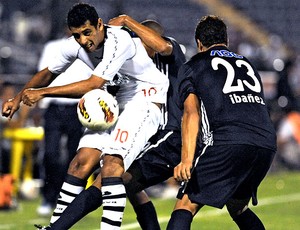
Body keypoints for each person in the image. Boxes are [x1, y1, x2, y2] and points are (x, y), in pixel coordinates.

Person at [2, 3, 168, 230]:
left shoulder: (119, 40)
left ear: (100, 25)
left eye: (87, 33)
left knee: (112, 166)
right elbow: (48, 72)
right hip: (115, 101)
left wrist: (42, 94)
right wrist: (19, 97)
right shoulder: (75, 45)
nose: (83, 40)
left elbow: (93, 84)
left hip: (145, 99)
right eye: (77, 35)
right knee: (80, 163)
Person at [36, 15, 186, 230]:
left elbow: (162, 45)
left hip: (165, 133)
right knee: (128, 186)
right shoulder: (132, 61)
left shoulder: (171, 51)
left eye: (140, 39)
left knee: (110, 177)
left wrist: (126, 21)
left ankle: (56, 228)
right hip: (145, 127)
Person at [166, 15, 277, 230]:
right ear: (225, 40)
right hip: (265, 144)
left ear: (199, 43)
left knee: (186, 204)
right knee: (237, 206)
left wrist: (186, 160)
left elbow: (191, 113)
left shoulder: (193, 66)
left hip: (229, 141)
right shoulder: (248, 64)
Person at [36, 31, 93, 216]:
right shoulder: (52, 47)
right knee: (50, 153)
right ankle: (48, 197)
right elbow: (43, 74)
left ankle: (68, 199)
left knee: (74, 156)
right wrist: (41, 103)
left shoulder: (90, 49)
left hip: (78, 108)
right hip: (54, 106)